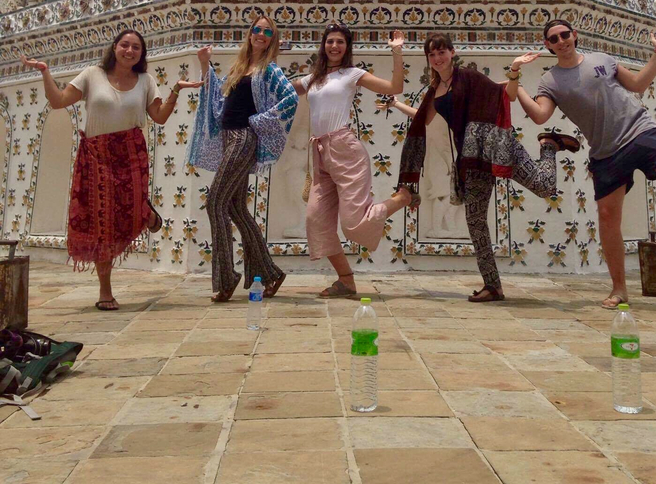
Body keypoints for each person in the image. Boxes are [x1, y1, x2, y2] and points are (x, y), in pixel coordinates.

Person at [507, 18, 656, 308]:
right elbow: (540, 116)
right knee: (607, 217)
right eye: (554, 38)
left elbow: (638, 84)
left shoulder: (602, 59)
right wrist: (515, 79)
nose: (561, 41)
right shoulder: (550, 81)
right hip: (606, 152)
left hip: (638, 131)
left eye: (565, 34)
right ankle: (619, 290)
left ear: (575, 35)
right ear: (547, 45)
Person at [21, 30, 199, 311]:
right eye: (125, 45)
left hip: (130, 153)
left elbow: (160, 118)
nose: (130, 51)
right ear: (114, 47)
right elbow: (58, 101)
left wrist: (176, 89)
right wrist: (45, 72)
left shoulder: (145, 81)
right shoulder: (92, 74)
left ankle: (144, 213)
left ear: (142, 53)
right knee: (102, 223)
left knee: (127, 211)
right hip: (96, 154)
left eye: (136, 48)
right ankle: (105, 290)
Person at [394, 34, 578, 302]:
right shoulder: (435, 91)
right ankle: (493, 286)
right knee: (475, 220)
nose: (437, 58)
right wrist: (397, 104)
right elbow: (423, 117)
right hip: (471, 159)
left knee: (544, 186)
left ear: (453, 52)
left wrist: (514, 69)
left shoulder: (469, 77)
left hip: (497, 146)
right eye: (432, 54)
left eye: (442, 52)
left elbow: (507, 94)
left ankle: (549, 144)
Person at [292, 23, 410, 298]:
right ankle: (346, 280)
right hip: (320, 154)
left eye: (340, 42)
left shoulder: (352, 74)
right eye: (330, 41)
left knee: (353, 223)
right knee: (315, 220)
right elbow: (283, 91)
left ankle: (401, 199)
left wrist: (396, 52)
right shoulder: (313, 79)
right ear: (323, 45)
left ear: (347, 48)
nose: (334, 46)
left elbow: (395, 86)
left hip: (345, 150)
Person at [187, 16, 298, 302]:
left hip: (242, 139)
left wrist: (258, 122)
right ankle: (270, 272)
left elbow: (290, 99)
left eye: (267, 32)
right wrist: (204, 64)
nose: (261, 34)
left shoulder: (269, 69)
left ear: (272, 39)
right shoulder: (240, 68)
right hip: (228, 139)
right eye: (257, 30)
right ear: (250, 34)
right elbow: (219, 98)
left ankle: (227, 278)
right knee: (236, 208)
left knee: (215, 202)